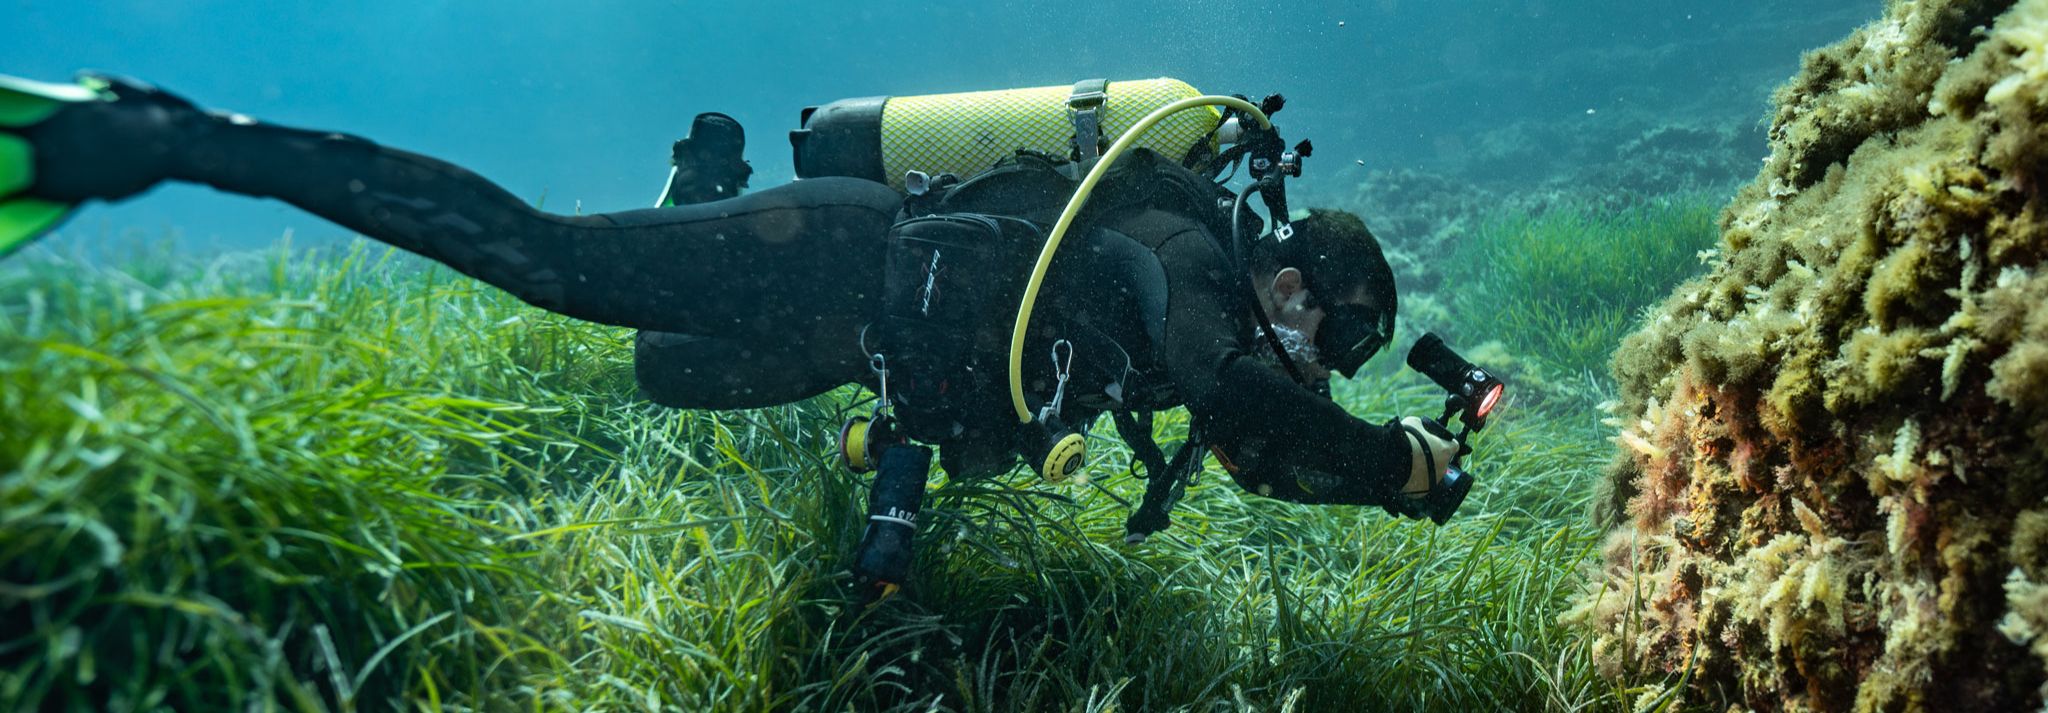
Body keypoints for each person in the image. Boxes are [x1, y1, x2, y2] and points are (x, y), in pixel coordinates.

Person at [0, 74, 1465, 593]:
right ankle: (167, 138)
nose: (1310, 367)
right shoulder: (1177, 248)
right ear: (1294, 285)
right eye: (1325, 341)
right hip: (840, 252)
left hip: (853, 345)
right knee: (548, 261)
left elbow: (1215, 412)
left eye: (1333, 363)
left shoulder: (1190, 288)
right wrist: (1405, 467)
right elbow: (1262, 433)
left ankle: (698, 180)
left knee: (654, 373)